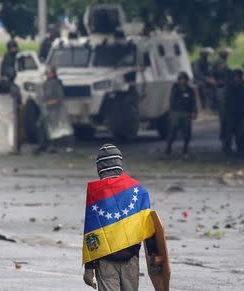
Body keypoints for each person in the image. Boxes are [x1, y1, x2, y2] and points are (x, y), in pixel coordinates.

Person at [83, 144, 160, 291]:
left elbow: (92, 232)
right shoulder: (138, 191)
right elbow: (149, 229)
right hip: (131, 261)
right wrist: (154, 256)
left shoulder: (96, 194)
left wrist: (89, 268)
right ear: (119, 164)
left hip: (105, 263)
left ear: (99, 167)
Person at [165, 72, 198, 157]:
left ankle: (185, 149)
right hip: (176, 112)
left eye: (184, 79)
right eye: (181, 79)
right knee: (173, 131)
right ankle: (168, 148)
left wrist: (194, 111)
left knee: (187, 132)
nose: (182, 81)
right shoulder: (175, 89)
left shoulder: (190, 90)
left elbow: (193, 102)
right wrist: (171, 112)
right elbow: (172, 101)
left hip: (186, 112)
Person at [33, 66, 65, 154]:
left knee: (53, 127)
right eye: (47, 73)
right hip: (45, 109)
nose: (47, 74)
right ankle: (42, 145)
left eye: (49, 73)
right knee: (40, 125)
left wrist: (50, 103)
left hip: (54, 109)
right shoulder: (46, 83)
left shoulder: (56, 84)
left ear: (53, 73)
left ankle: (52, 146)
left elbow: (59, 98)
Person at [222, 69, 244, 153]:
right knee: (229, 131)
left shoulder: (243, 86)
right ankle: (227, 148)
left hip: (240, 112)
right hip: (231, 112)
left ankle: (240, 148)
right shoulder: (230, 87)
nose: (236, 79)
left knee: (239, 132)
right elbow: (227, 100)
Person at [212, 48, 232, 151]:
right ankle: (225, 143)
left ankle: (226, 142)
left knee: (225, 120)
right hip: (221, 90)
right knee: (225, 119)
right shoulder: (220, 64)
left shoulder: (221, 63)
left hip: (223, 90)